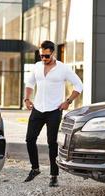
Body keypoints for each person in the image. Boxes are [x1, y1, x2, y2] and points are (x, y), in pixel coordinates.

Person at [23, 40, 83, 187]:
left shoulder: (63, 69)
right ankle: (35, 168)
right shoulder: (37, 66)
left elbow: (79, 85)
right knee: (30, 139)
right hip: (38, 109)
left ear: (53, 53)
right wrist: (27, 98)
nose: (43, 59)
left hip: (54, 111)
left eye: (46, 56)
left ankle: (54, 175)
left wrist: (67, 101)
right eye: (41, 55)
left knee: (51, 143)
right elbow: (30, 83)